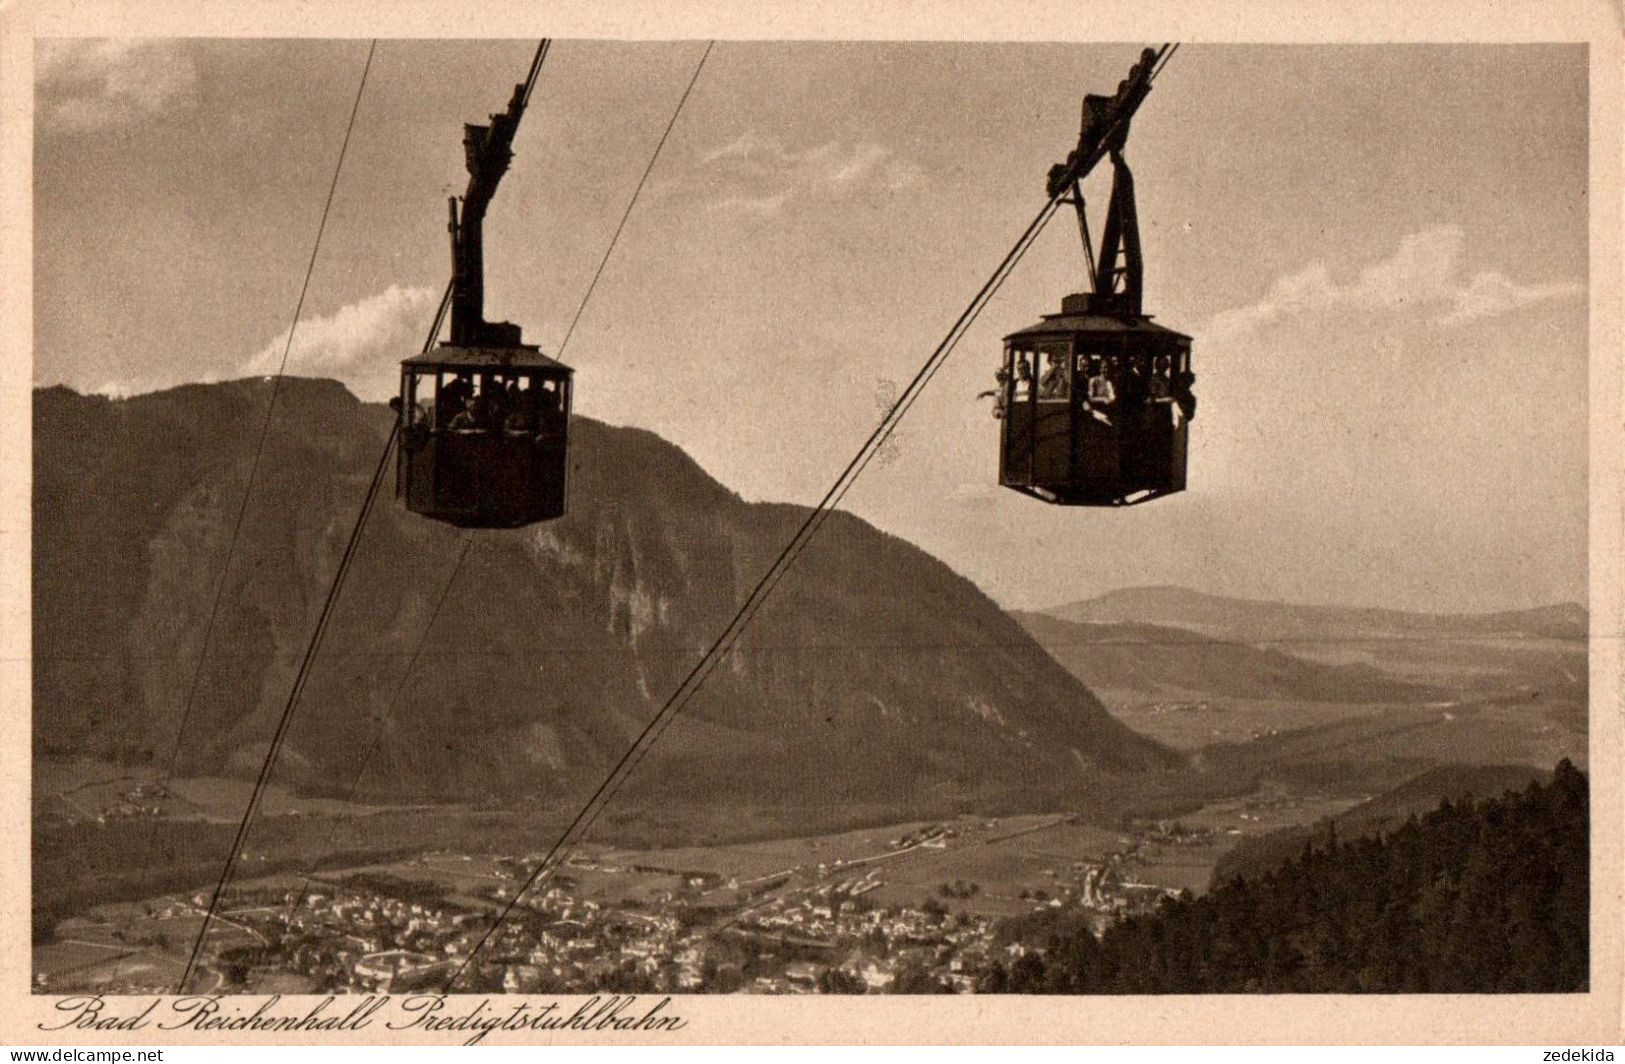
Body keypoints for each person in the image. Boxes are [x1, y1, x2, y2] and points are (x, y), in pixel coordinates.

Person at [1084, 358, 1115, 424]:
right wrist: (1103, 399)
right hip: (1098, 416)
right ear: (1100, 369)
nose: (1106, 370)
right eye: (1104, 368)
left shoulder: (1113, 381)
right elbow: (1090, 398)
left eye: (1108, 368)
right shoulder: (1094, 380)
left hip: (1112, 415)